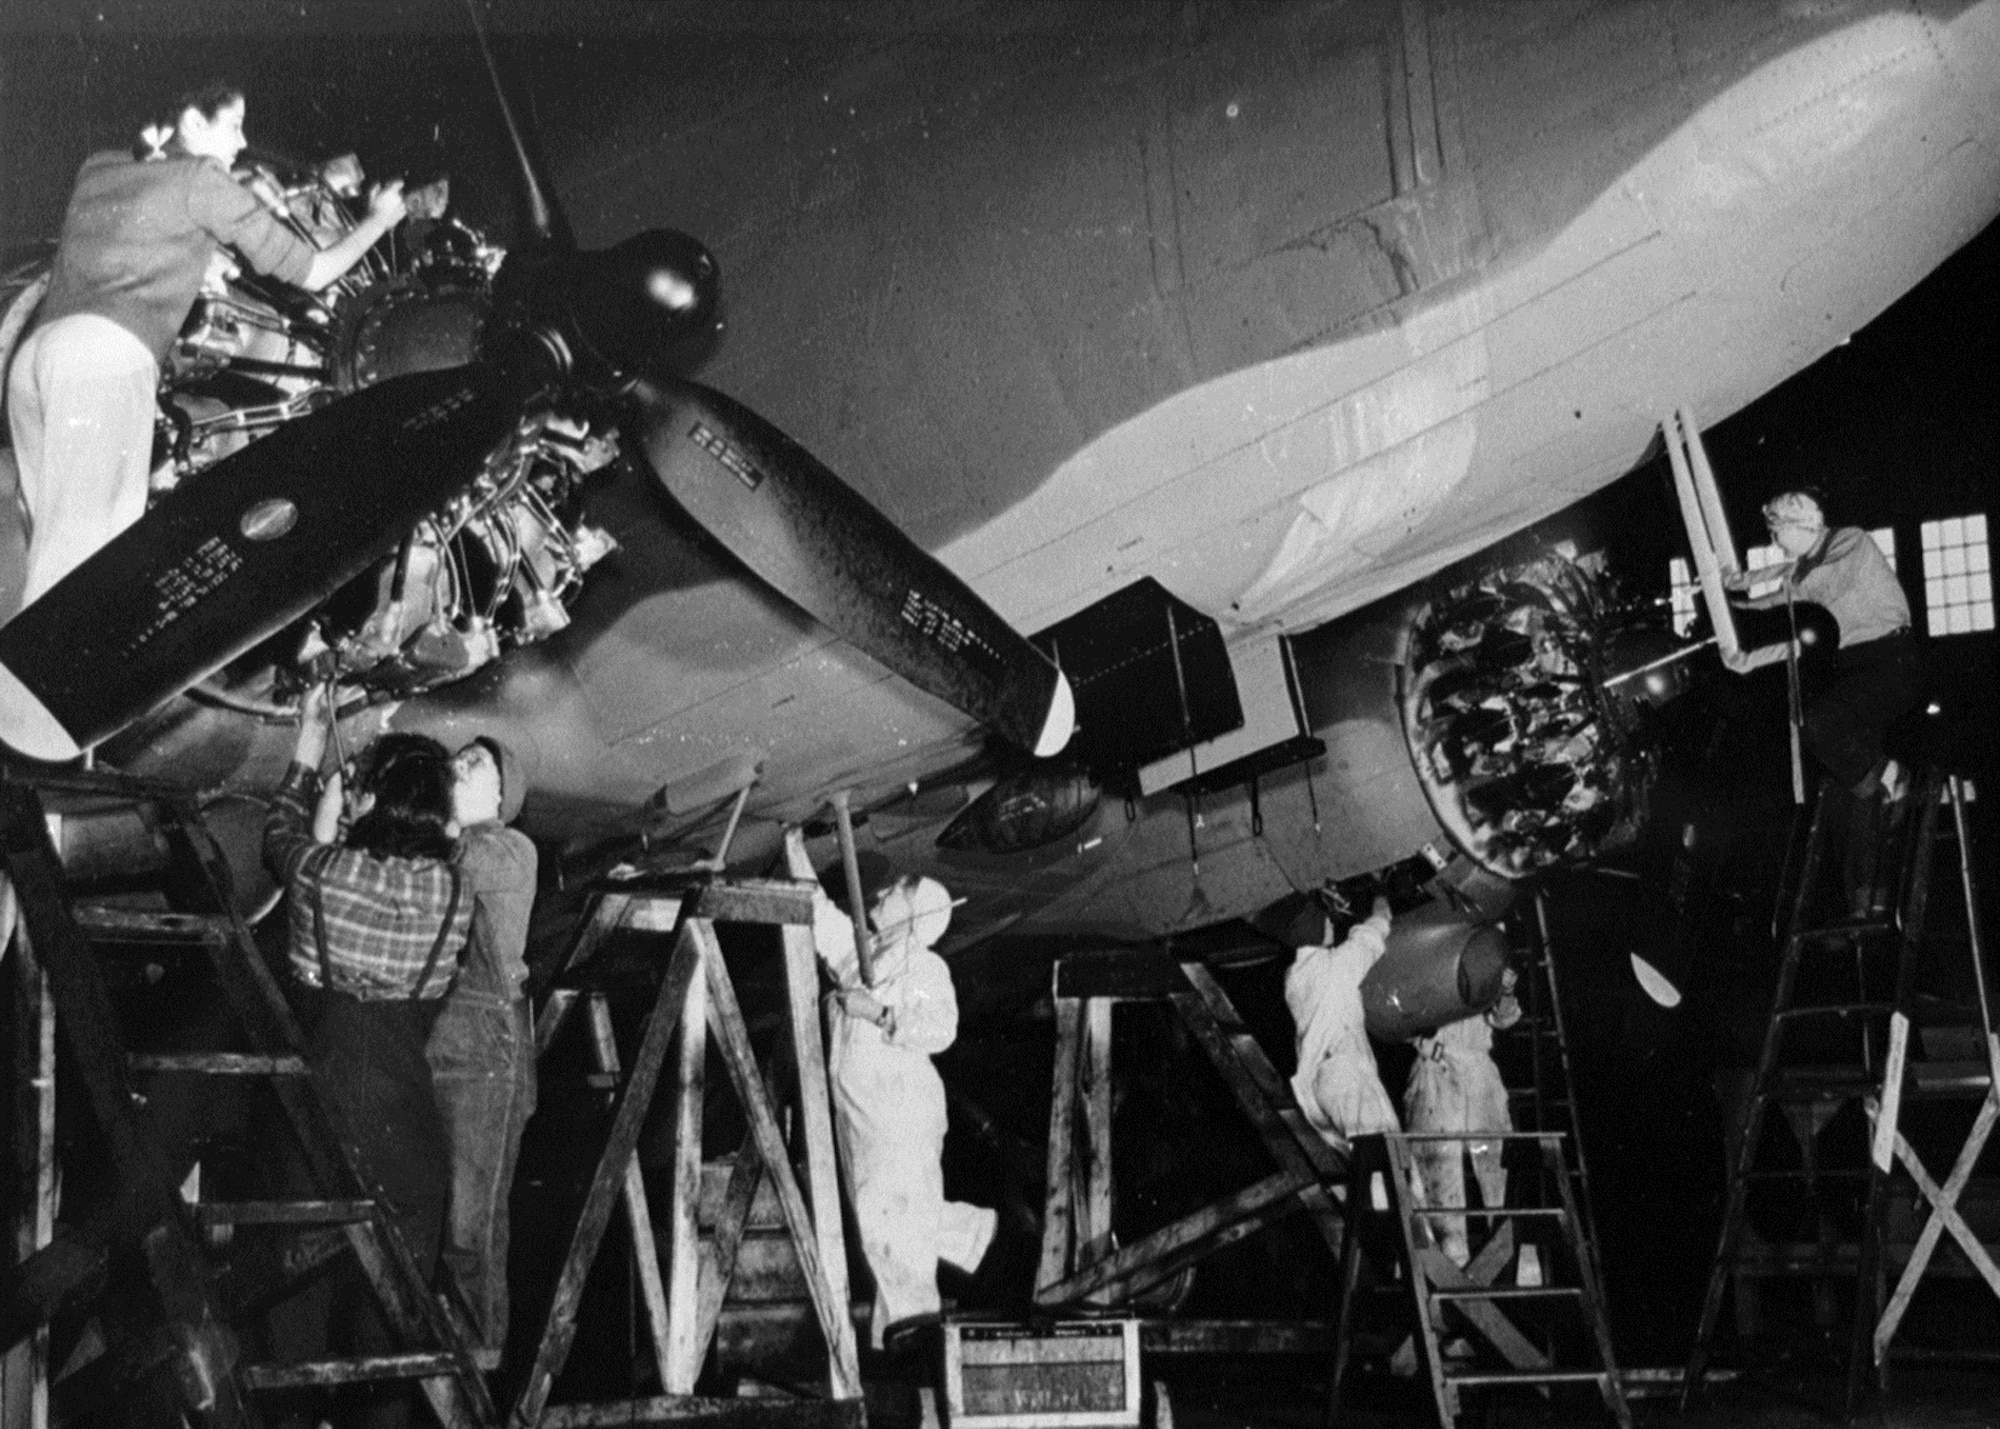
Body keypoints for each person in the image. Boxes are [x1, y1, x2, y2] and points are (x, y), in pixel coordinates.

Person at [7, 81, 406, 609]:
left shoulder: (98, 167)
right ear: (193, 121)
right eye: (233, 125)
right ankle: (55, 689)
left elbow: (141, 233)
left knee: (45, 553)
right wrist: (380, 219)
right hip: (104, 361)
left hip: (34, 362)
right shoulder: (202, 179)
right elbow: (313, 271)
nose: (242, 142)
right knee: (89, 577)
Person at [263, 686, 470, 1429]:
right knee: (389, 1349)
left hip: (321, 1136)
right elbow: (440, 845)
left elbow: (280, 841)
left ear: (374, 800)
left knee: (293, 1334)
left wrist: (311, 761)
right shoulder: (454, 891)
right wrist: (373, 806)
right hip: (410, 1142)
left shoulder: (327, 876)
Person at [813, 867, 996, 1349]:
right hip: (865, 1116)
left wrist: (878, 1012)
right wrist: (795, 855)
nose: (884, 889)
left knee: (890, 1229)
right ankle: (970, 1234)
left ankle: (912, 1343)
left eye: (898, 891)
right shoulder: (868, 956)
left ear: (914, 918)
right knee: (893, 1222)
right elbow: (824, 922)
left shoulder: (921, 966)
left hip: (898, 1116)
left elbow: (941, 1028)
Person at [430, 736, 538, 1359]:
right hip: (450, 1043)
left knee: (471, 1220)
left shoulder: (510, 849)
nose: (457, 766)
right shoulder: (454, 847)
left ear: (500, 798)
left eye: (474, 764)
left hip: (486, 1057)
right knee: (446, 1207)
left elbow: (453, 858)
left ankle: (479, 1356)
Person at [1724, 488, 1919, 804]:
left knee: (1818, 725)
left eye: (1777, 533)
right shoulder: (1808, 565)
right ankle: (1883, 795)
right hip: (1856, 666)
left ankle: (1891, 778)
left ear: (1802, 526)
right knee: (1830, 741)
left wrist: (1746, 590)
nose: (1774, 543)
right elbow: (1791, 586)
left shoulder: (1851, 542)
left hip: (1891, 663)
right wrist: (1743, 593)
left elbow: (1807, 585)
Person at [1286, 895, 1401, 1149]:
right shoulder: (1336, 967)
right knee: (1386, 1162)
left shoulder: (1295, 976)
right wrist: (1381, 896)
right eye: (1325, 922)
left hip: (1328, 1081)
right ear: (1314, 930)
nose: (1331, 924)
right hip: (1347, 1077)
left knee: (1376, 1162)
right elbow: (1375, 930)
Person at [1403, 1012, 1512, 1267]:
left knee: (1496, 1178)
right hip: (1433, 1074)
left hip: (1478, 1075)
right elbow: (1392, 1020)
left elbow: (1504, 1016)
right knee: (1437, 1184)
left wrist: (1505, 989)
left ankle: (1499, 1267)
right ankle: (1446, 1272)